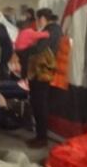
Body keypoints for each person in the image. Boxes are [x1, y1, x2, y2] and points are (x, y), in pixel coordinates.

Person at [26, 8, 62, 148]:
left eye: (38, 19)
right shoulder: (56, 30)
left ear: (42, 18)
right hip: (45, 72)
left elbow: (38, 48)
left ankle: (42, 138)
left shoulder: (50, 31)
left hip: (42, 72)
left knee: (39, 104)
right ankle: (40, 136)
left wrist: (26, 47)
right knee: (40, 104)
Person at [0, 6, 17, 81]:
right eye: (12, 13)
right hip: (7, 44)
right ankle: (3, 76)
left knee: (7, 60)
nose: (13, 14)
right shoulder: (3, 22)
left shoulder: (7, 21)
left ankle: (6, 75)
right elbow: (2, 34)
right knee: (5, 60)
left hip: (8, 44)